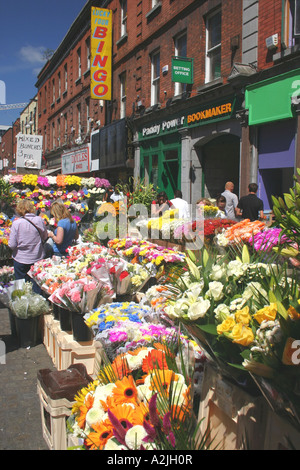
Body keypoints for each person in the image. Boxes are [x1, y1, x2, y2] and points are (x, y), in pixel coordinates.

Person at [8, 199, 48, 294]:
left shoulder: (17, 223)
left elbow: (12, 244)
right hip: (37, 258)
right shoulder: (39, 220)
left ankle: (23, 305)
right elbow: (45, 236)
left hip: (20, 259)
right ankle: (37, 304)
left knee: (21, 287)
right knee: (37, 284)